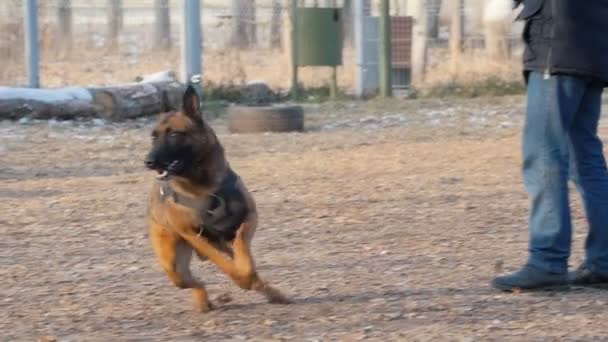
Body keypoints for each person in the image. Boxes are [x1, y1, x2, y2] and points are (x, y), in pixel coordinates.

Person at [492, 0, 608, 291]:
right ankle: (604, 261)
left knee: (544, 153)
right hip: (593, 46)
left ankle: (548, 261)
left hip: (558, 44)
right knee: (586, 158)